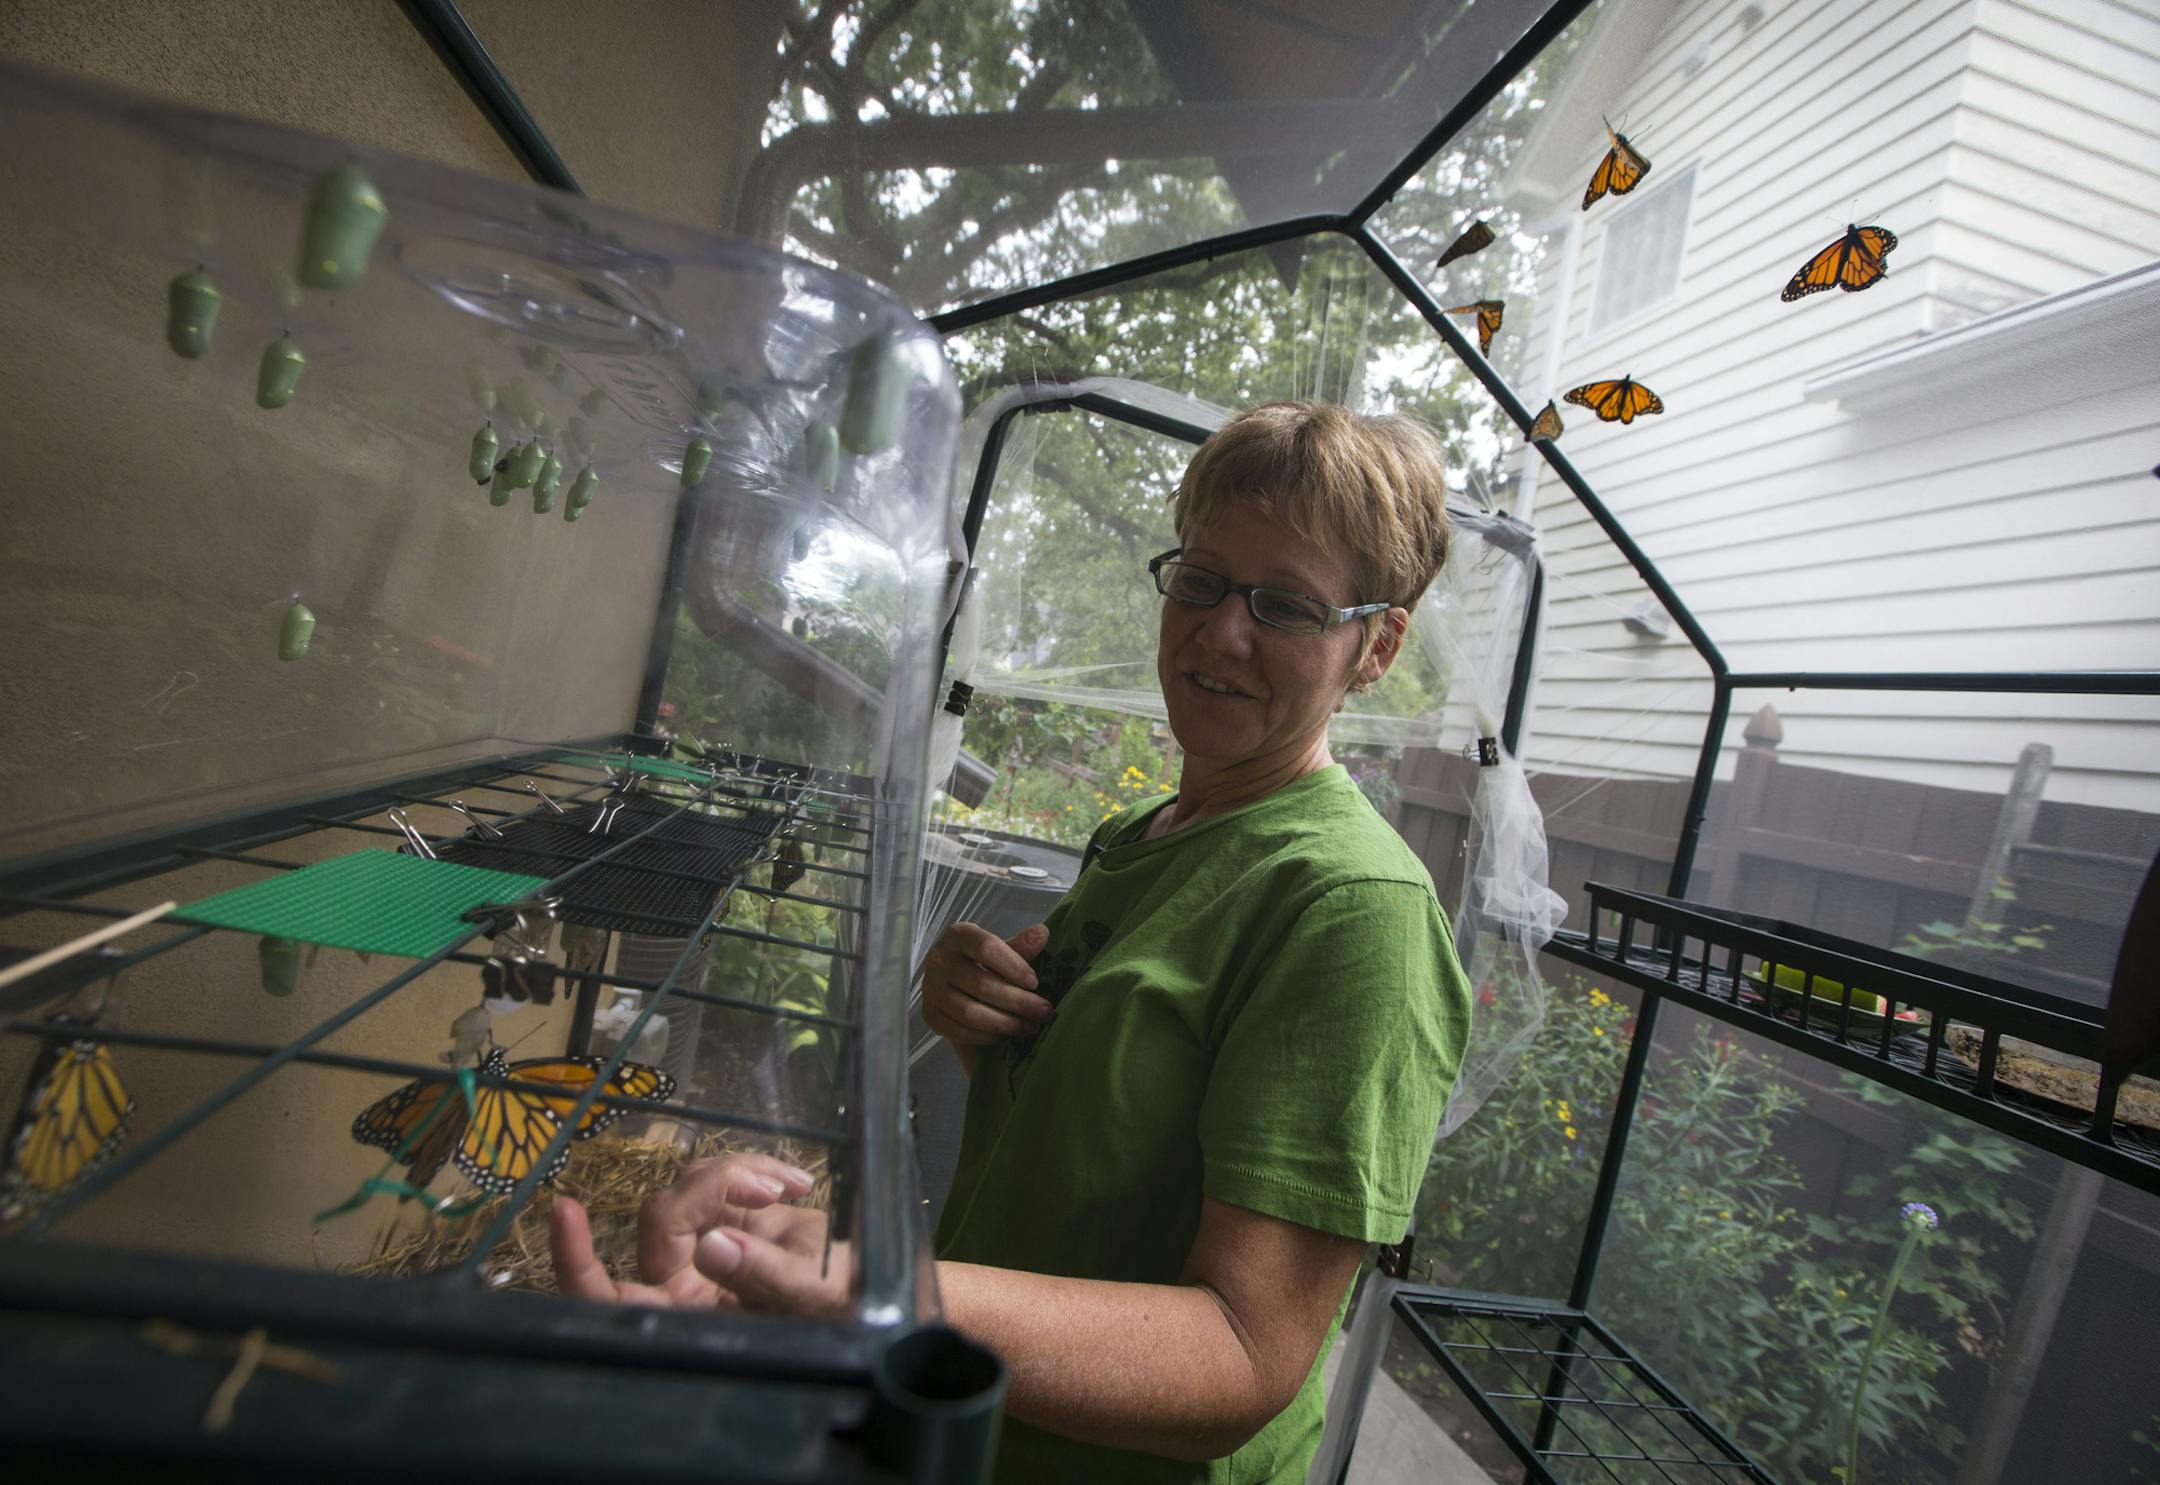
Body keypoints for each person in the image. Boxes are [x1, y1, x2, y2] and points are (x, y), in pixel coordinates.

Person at [552, 401, 1473, 1483]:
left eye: (1286, 605)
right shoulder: (1143, 838)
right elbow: (1110, 1133)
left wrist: (883, 1295)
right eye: (1204, 579)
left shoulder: (1353, 908)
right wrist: (982, 1022)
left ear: (1377, 646)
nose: (1223, 632)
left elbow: (1244, 1353)